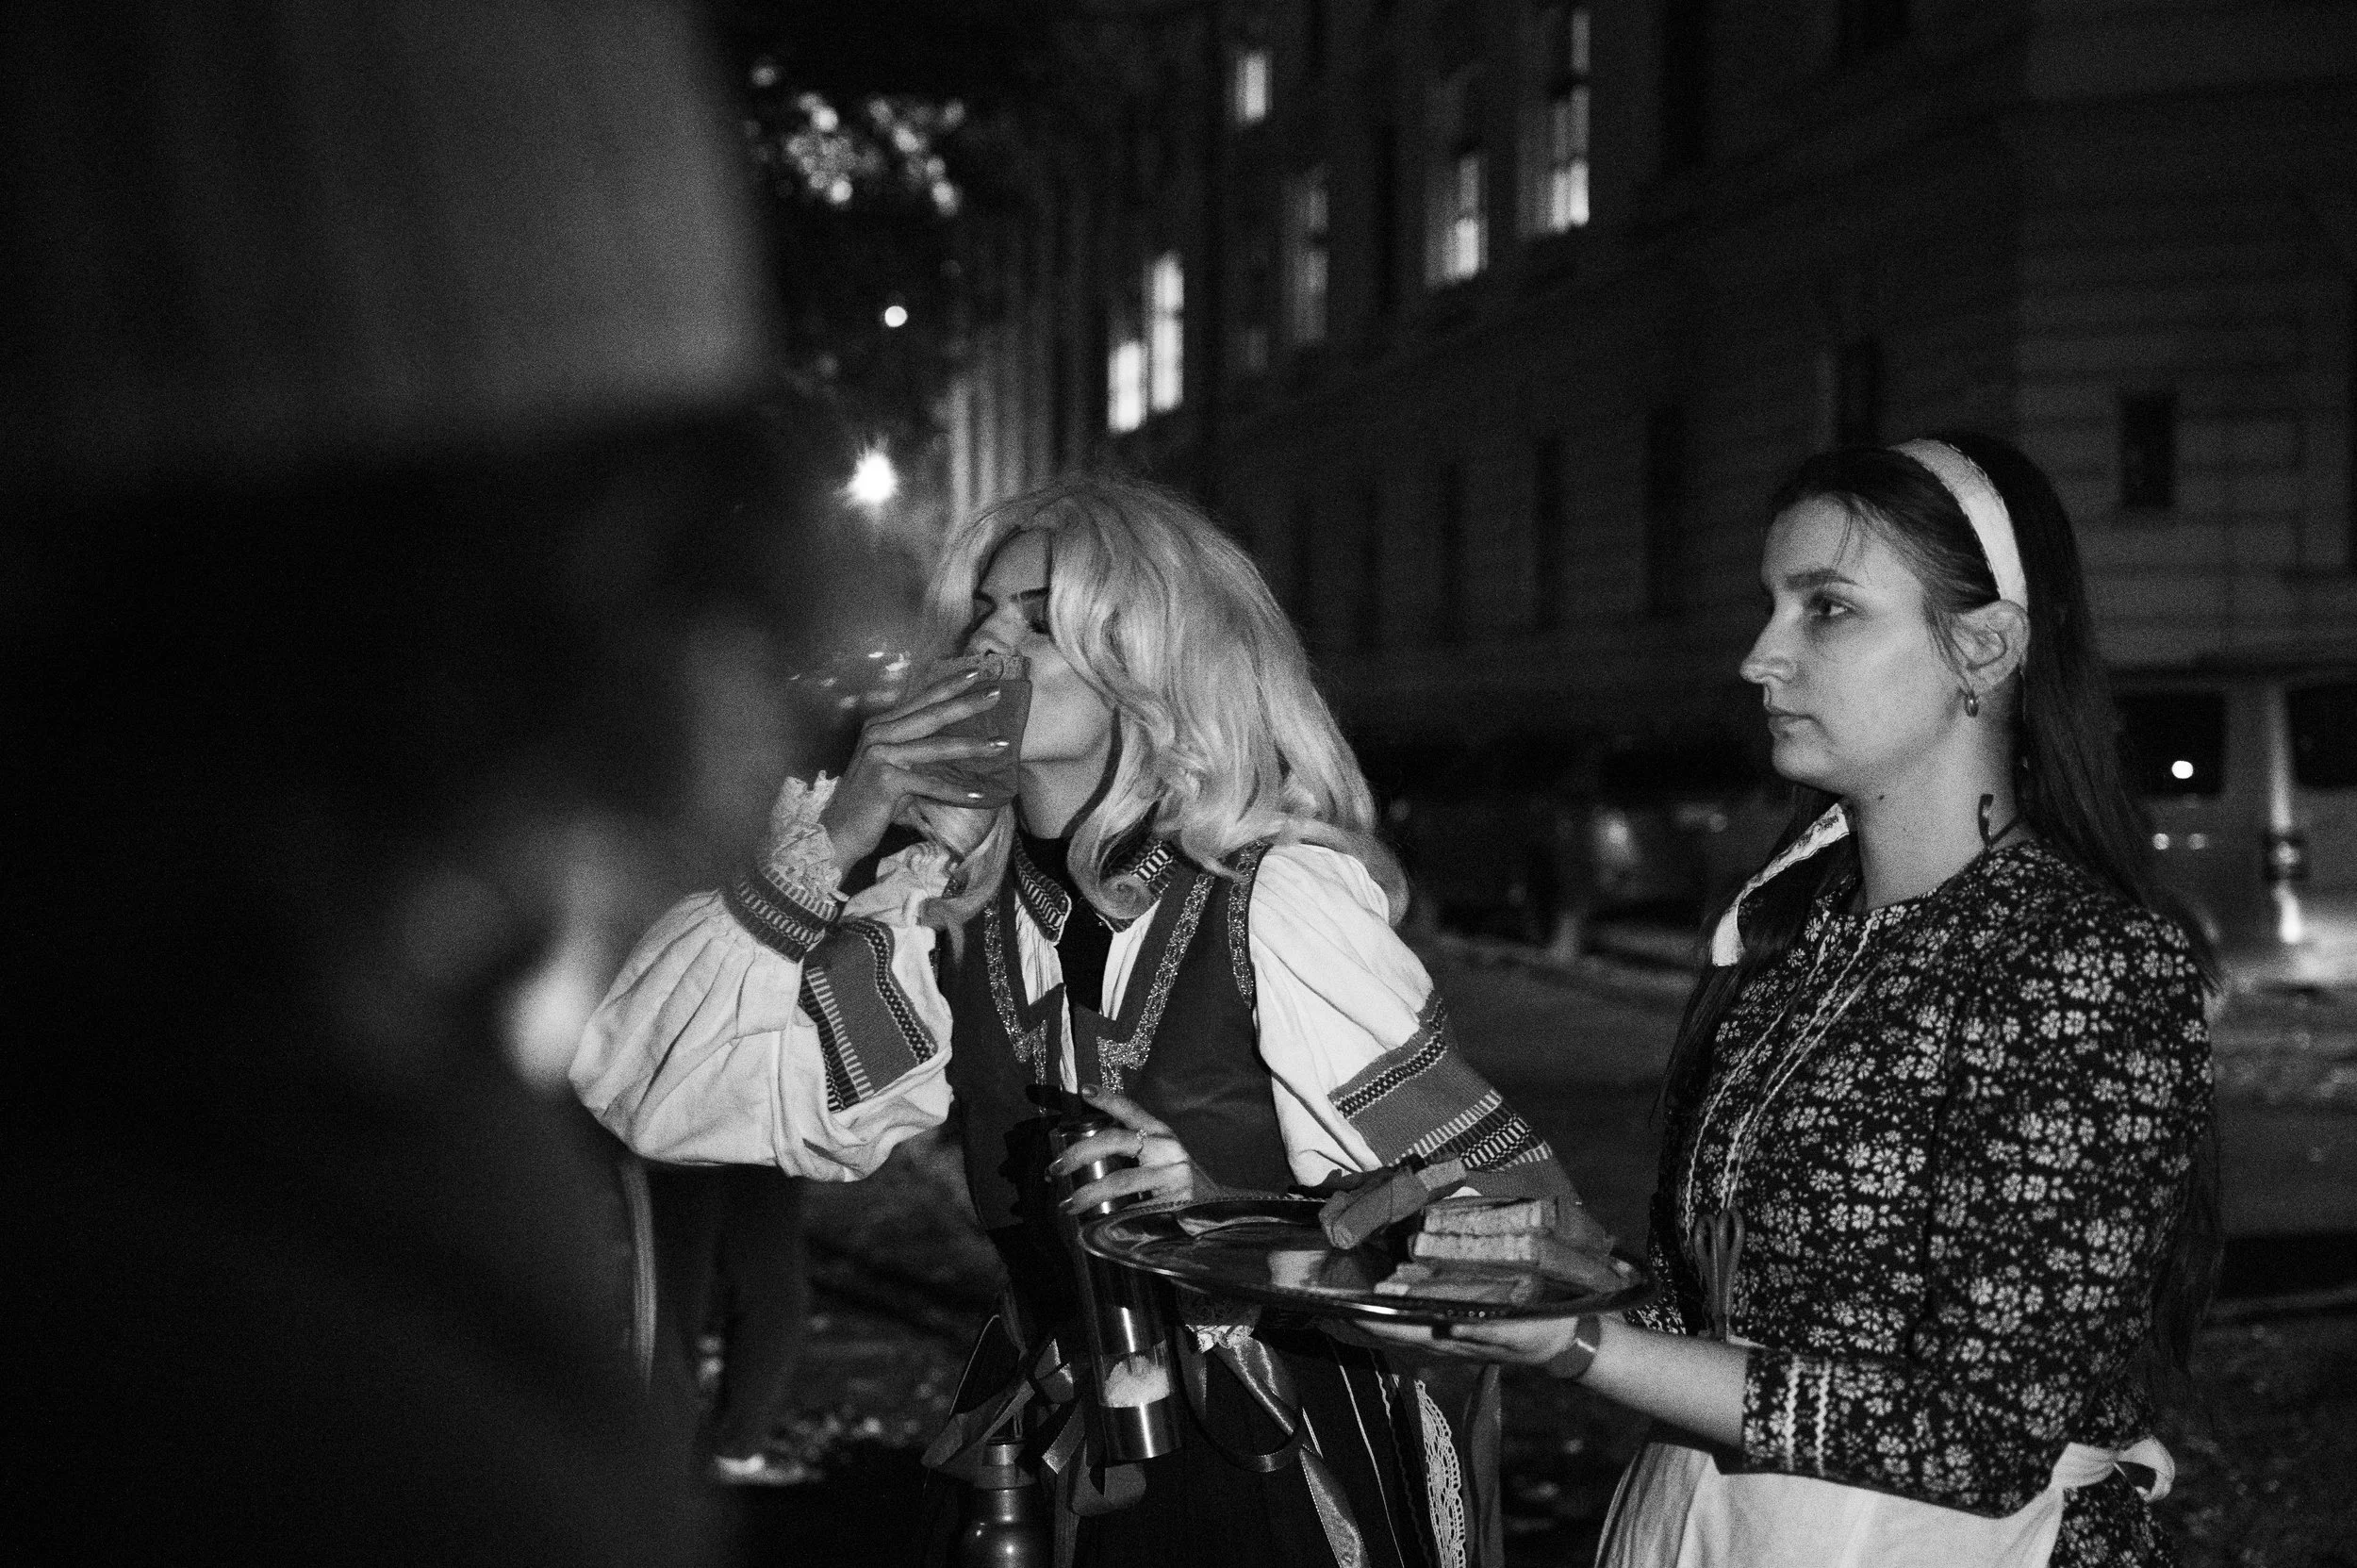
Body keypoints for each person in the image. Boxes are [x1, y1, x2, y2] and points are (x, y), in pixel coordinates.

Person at [572, 474, 1588, 1568]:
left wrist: (1226, 1218)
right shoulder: (948, 912)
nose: (992, 647)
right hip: (1038, 1452)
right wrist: (848, 823)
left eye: (1043, 619)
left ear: (1149, 663)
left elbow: (1518, 1230)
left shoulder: (1272, 899)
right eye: (983, 615)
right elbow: (653, 1091)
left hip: (1268, 1464)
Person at [1360, 434, 2217, 1568]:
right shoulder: (1791, 935)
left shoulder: (2082, 958)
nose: (1760, 657)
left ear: (1985, 646)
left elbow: (1987, 1429)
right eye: (1771, 606)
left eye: (1827, 609)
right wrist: (1506, 1261)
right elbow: (1702, 1311)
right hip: (1706, 1528)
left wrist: (1575, 1342)